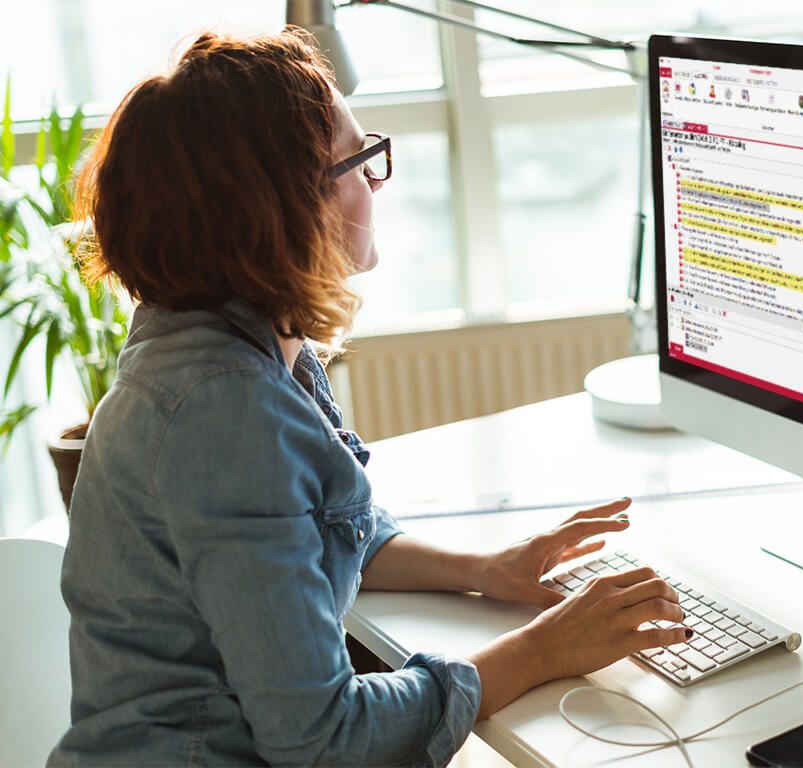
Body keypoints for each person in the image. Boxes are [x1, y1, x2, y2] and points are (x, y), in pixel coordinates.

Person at [48, 30, 688, 767]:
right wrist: (545, 648)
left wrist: (483, 569)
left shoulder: (223, 337)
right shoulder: (225, 413)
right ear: (287, 208)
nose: (378, 182)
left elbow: (312, 532)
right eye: (359, 161)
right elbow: (323, 738)